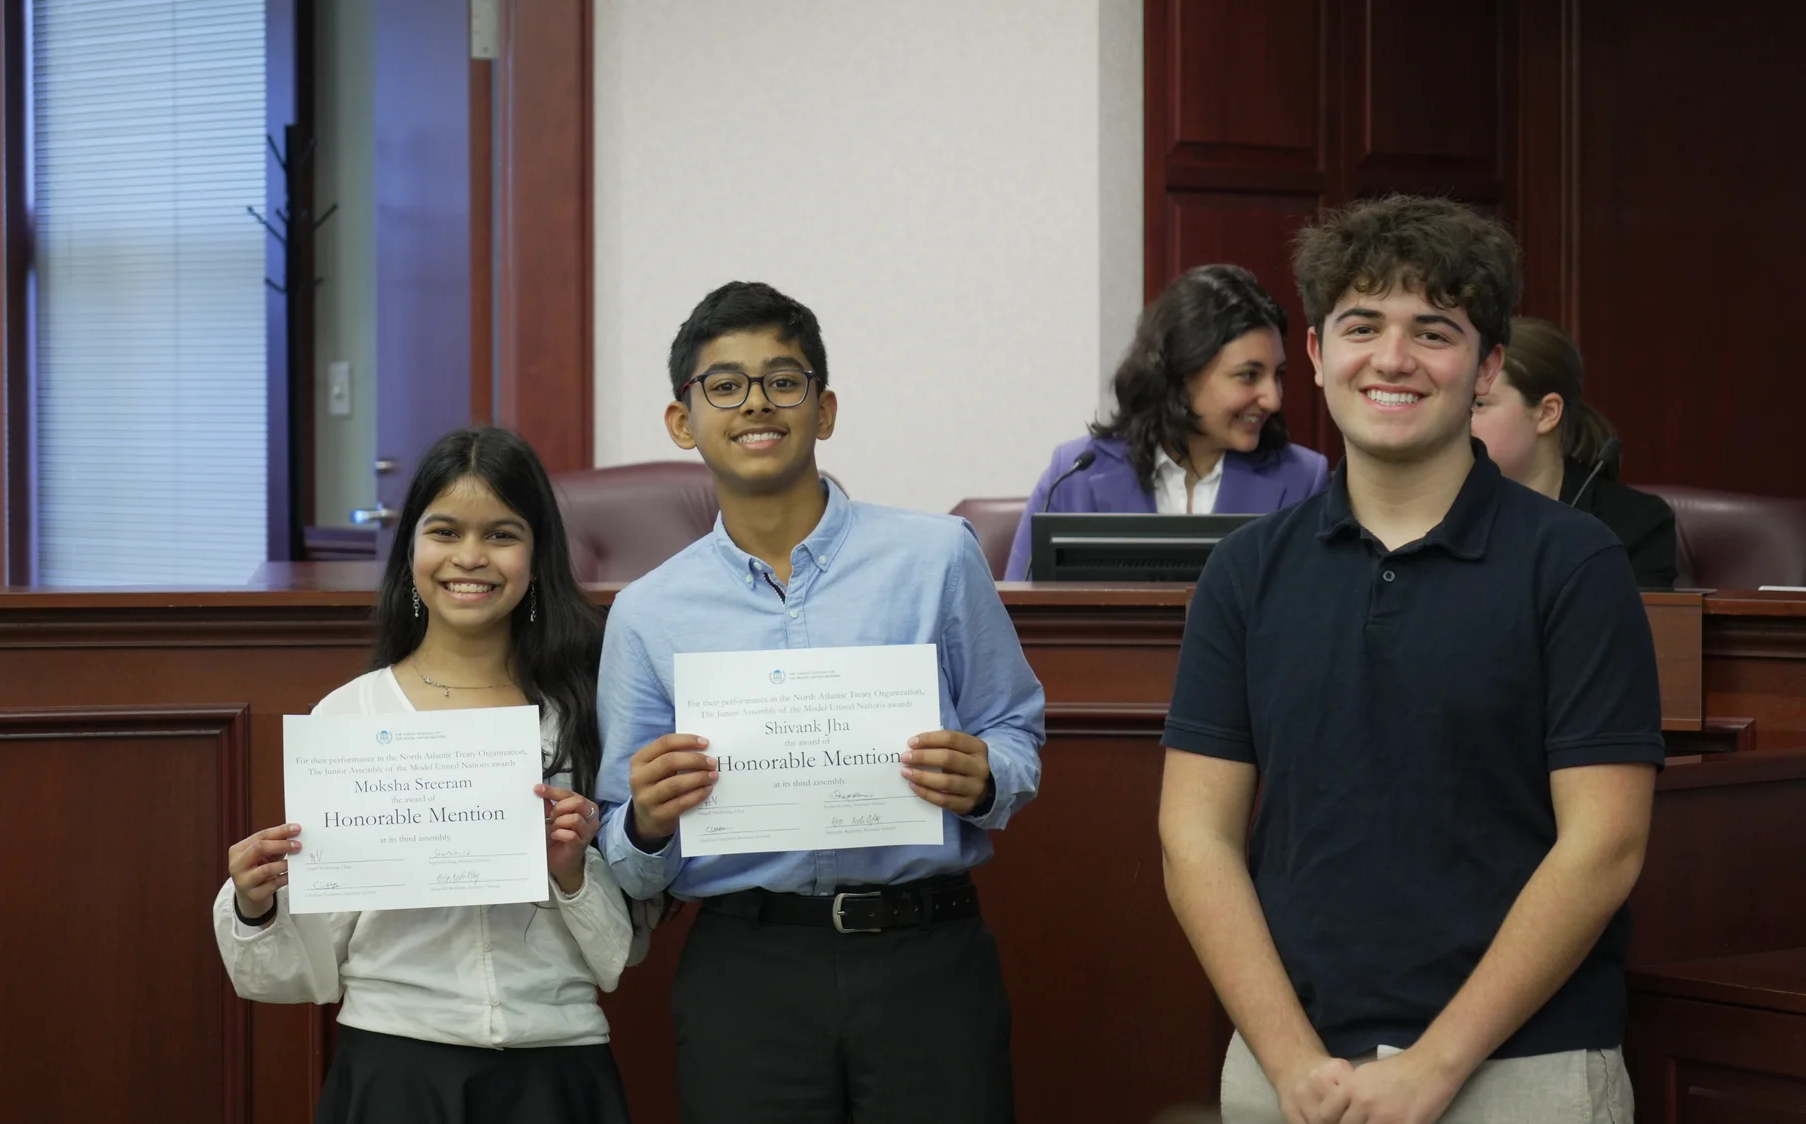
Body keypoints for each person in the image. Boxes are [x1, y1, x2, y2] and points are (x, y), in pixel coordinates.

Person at [1158, 197, 1662, 1124]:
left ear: (1488, 367)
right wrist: (1291, 1060)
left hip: (1523, 1073)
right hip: (1293, 1074)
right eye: (1361, 327)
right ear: (1315, 354)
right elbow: (1196, 843)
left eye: (1434, 331)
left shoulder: (1577, 565)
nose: (1393, 360)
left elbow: (1604, 845)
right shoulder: (1244, 573)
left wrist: (1436, 1064)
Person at [592, 281, 1045, 1123]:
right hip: (747, 970)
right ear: (682, 422)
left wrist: (984, 777)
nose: (756, 403)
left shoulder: (936, 557)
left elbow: (1014, 732)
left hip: (926, 960)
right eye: (723, 384)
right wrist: (647, 821)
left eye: (783, 380)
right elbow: (621, 848)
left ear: (824, 409)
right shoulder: (649, 611)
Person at [214, 427, 635, 1124]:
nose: (470, 557)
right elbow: (297, 974)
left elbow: (617, 958)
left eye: (501, 534)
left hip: (558, 1063)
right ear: (411, 546)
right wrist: (255, 902)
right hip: (394, 1063)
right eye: (444, 531)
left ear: (537, 553)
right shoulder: (350, 715)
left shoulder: (582, 712)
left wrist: (571, 871)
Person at [1004, 264, 1329, 580]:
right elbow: (1019, 620)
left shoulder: (1304, 480)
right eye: (1248, 376)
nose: (1273, 399)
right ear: (1182, 370)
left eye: (1278, 375)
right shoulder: (1074, 473)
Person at [1472, 316, 1679, 588]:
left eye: (1478, 404)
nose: (1457, 419)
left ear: (1547, 414)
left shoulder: (1636, 524)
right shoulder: (1438, 509)